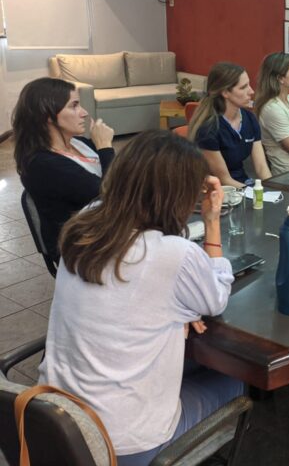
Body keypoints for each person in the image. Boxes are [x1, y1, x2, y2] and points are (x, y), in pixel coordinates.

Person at [39, 130, 243, 465]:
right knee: (234, 379)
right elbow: (216, 299)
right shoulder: (172, 255)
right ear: (178, 195)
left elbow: (127, 291)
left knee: (188, 361)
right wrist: (212, 221)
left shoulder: (85, 223)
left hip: (56, 418)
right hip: (126, 443)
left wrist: (176, 303)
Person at [12, 77, 115, 263]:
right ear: (47, 116)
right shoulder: (42, 164)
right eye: (74, 105)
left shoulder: (80, 143)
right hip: (82, 249)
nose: (84, 113)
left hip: (107, 228)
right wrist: (105, 148)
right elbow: (110, 196)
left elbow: (121, 180)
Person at [188, 62, 272, 188]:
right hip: (220, 191)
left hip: (243, 183)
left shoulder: (249, 118)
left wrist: (274, 189)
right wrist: (257, 194)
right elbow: (224, 180)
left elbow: (261, 167)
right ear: (225, 93)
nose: (251, 91)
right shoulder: (208, 129)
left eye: (249, 85)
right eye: (243, 87)